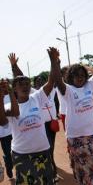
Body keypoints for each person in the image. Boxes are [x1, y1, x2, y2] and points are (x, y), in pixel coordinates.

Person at [50, 44, 93, 184]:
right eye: (76, 76)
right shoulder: (68, 90)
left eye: (82, 75)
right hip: (76, 137)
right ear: (70, 77)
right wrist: (54, 62)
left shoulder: (89, 85)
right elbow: (58, 80)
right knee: (82, 169)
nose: (80, 78)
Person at [1, 49, 56, 184]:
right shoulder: (10, 108)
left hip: (43, 151)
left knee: (47, 181)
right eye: (20, 84)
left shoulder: (36, 97)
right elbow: (2, 122)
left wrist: (53, 61)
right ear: (14, 89)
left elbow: (51, 81)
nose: (25, 86)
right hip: (22, 155)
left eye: (27, 84)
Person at [0, 80, 15, 181]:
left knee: (16, 153)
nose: (5, 87)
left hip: (14, 131)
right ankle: (8, 165)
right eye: (2, 86)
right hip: (3, 134)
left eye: (6, 85)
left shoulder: (12, 96)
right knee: (8, 155)